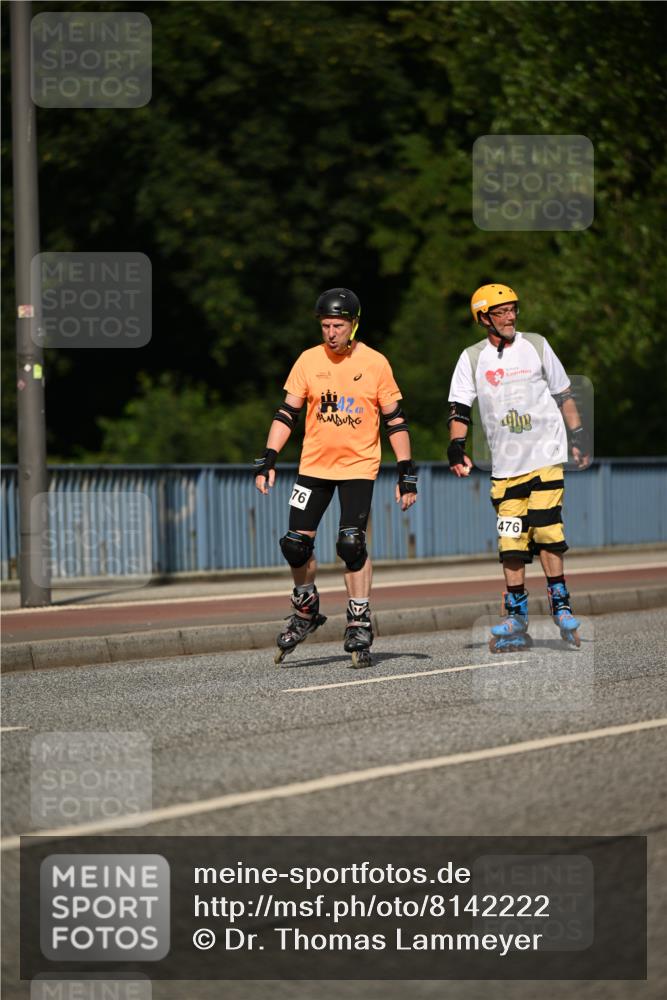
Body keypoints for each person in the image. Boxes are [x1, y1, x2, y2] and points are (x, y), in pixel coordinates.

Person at [254, 287, 418, 667]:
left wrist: (406, 473)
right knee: (295, 544)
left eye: (338, 326)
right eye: (326, 326)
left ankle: (359, 621)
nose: (331, 333)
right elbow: (287, 413)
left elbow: (395, 420)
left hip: (358, 468)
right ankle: (305, 609)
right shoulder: (308, 361)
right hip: (314, 467)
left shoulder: (375, 363)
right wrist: (268, 458)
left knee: (351, 544)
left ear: (353, 325)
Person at [447, 283, 591, 651]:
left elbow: (564, 394)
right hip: (505, 467)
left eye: (513, 309)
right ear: (483, 318)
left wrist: (577, 436)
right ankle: (516, 616)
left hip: (545, 457)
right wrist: (456, 447)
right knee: (511, 542)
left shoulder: (537, 345)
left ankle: (561, 606)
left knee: (547, 531)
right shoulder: (472, 358)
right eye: (501, 312)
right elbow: (459, 409)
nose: (510, 317)